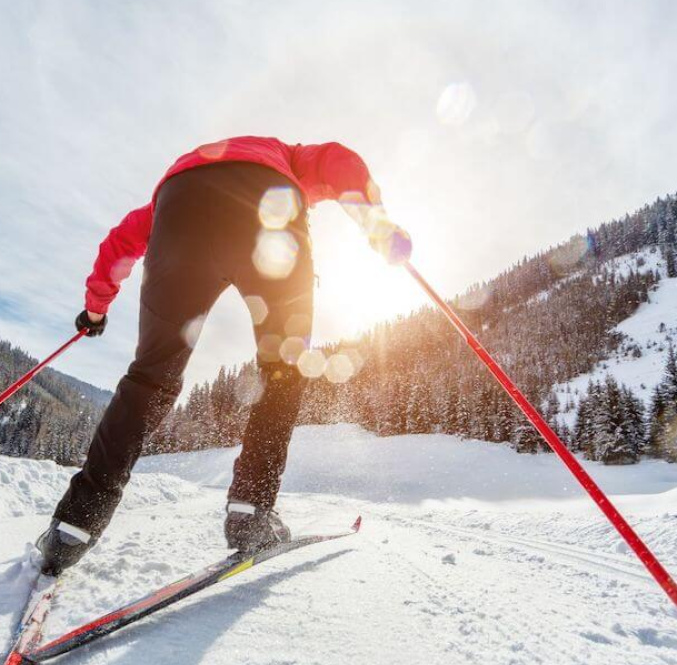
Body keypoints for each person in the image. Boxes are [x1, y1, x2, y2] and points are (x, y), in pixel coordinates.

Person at [35, 136, 411, 576]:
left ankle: (75, 524)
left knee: (149, 378)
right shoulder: (287, 157)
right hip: (269, 210)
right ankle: (251, 510)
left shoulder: (175, 185)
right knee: (284, 369)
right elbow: (336, 160)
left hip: (178, 209)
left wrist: (95, 309)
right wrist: (377, 225)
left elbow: (119, 244)